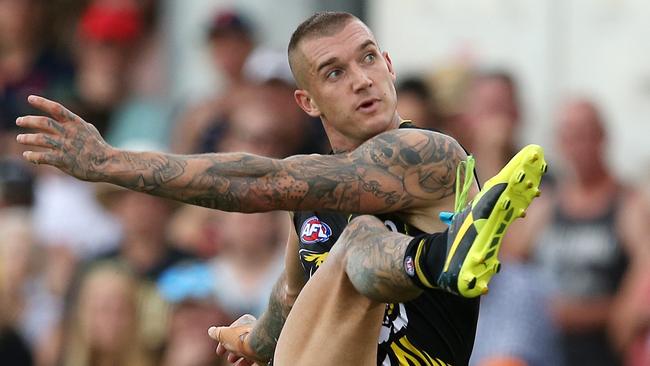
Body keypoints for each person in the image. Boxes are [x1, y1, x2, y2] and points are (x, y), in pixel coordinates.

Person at [15, 11, 546, 366]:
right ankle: (439, 256)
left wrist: (110, 162)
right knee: (346, 247)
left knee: (358, 237)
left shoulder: (430, 153)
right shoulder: (311, 204)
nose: (361, 78)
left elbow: (264, 182)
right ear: (307, 102)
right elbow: (288, 303)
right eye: (334, 72)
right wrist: (248, 338)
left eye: (367, 58)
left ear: (388, 65)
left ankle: (438, 257)